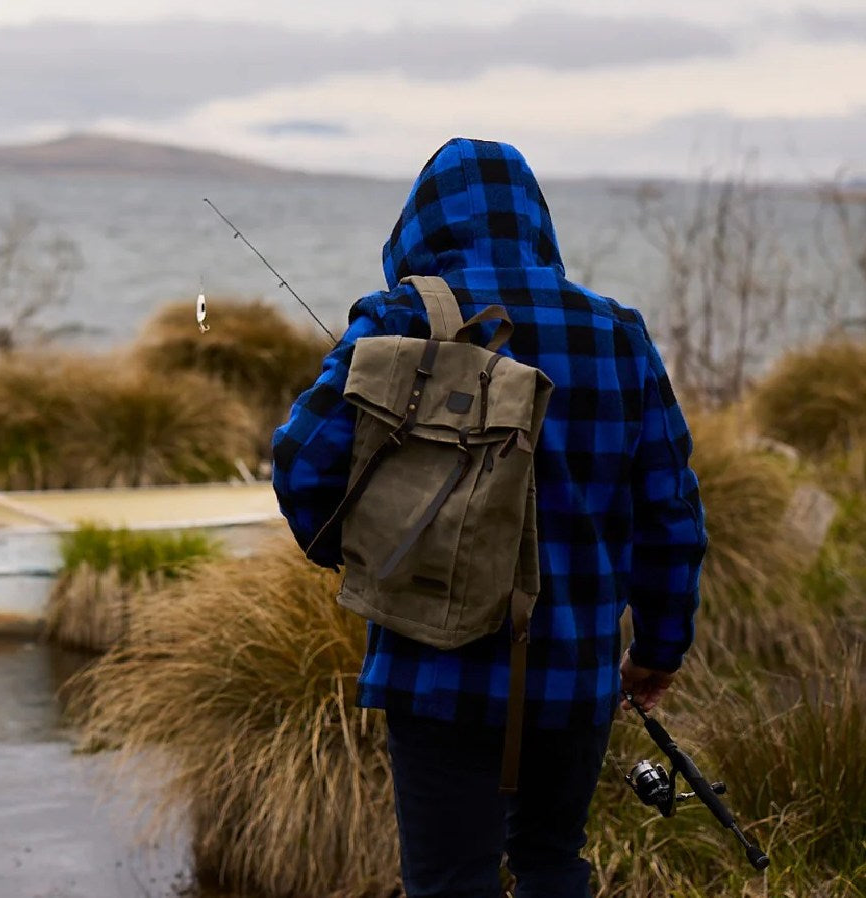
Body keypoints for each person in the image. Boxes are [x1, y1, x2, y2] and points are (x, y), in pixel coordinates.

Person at [272, 137, 707, 898]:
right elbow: (670, 512)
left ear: (420, 224)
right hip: (574, 673)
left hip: (432, 668)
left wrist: (381, 556)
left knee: (449, 881)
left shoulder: (396, 319)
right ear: (535, 222)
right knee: (551, 863)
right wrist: (658, 650)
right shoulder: (619, 334)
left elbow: (302, 466)